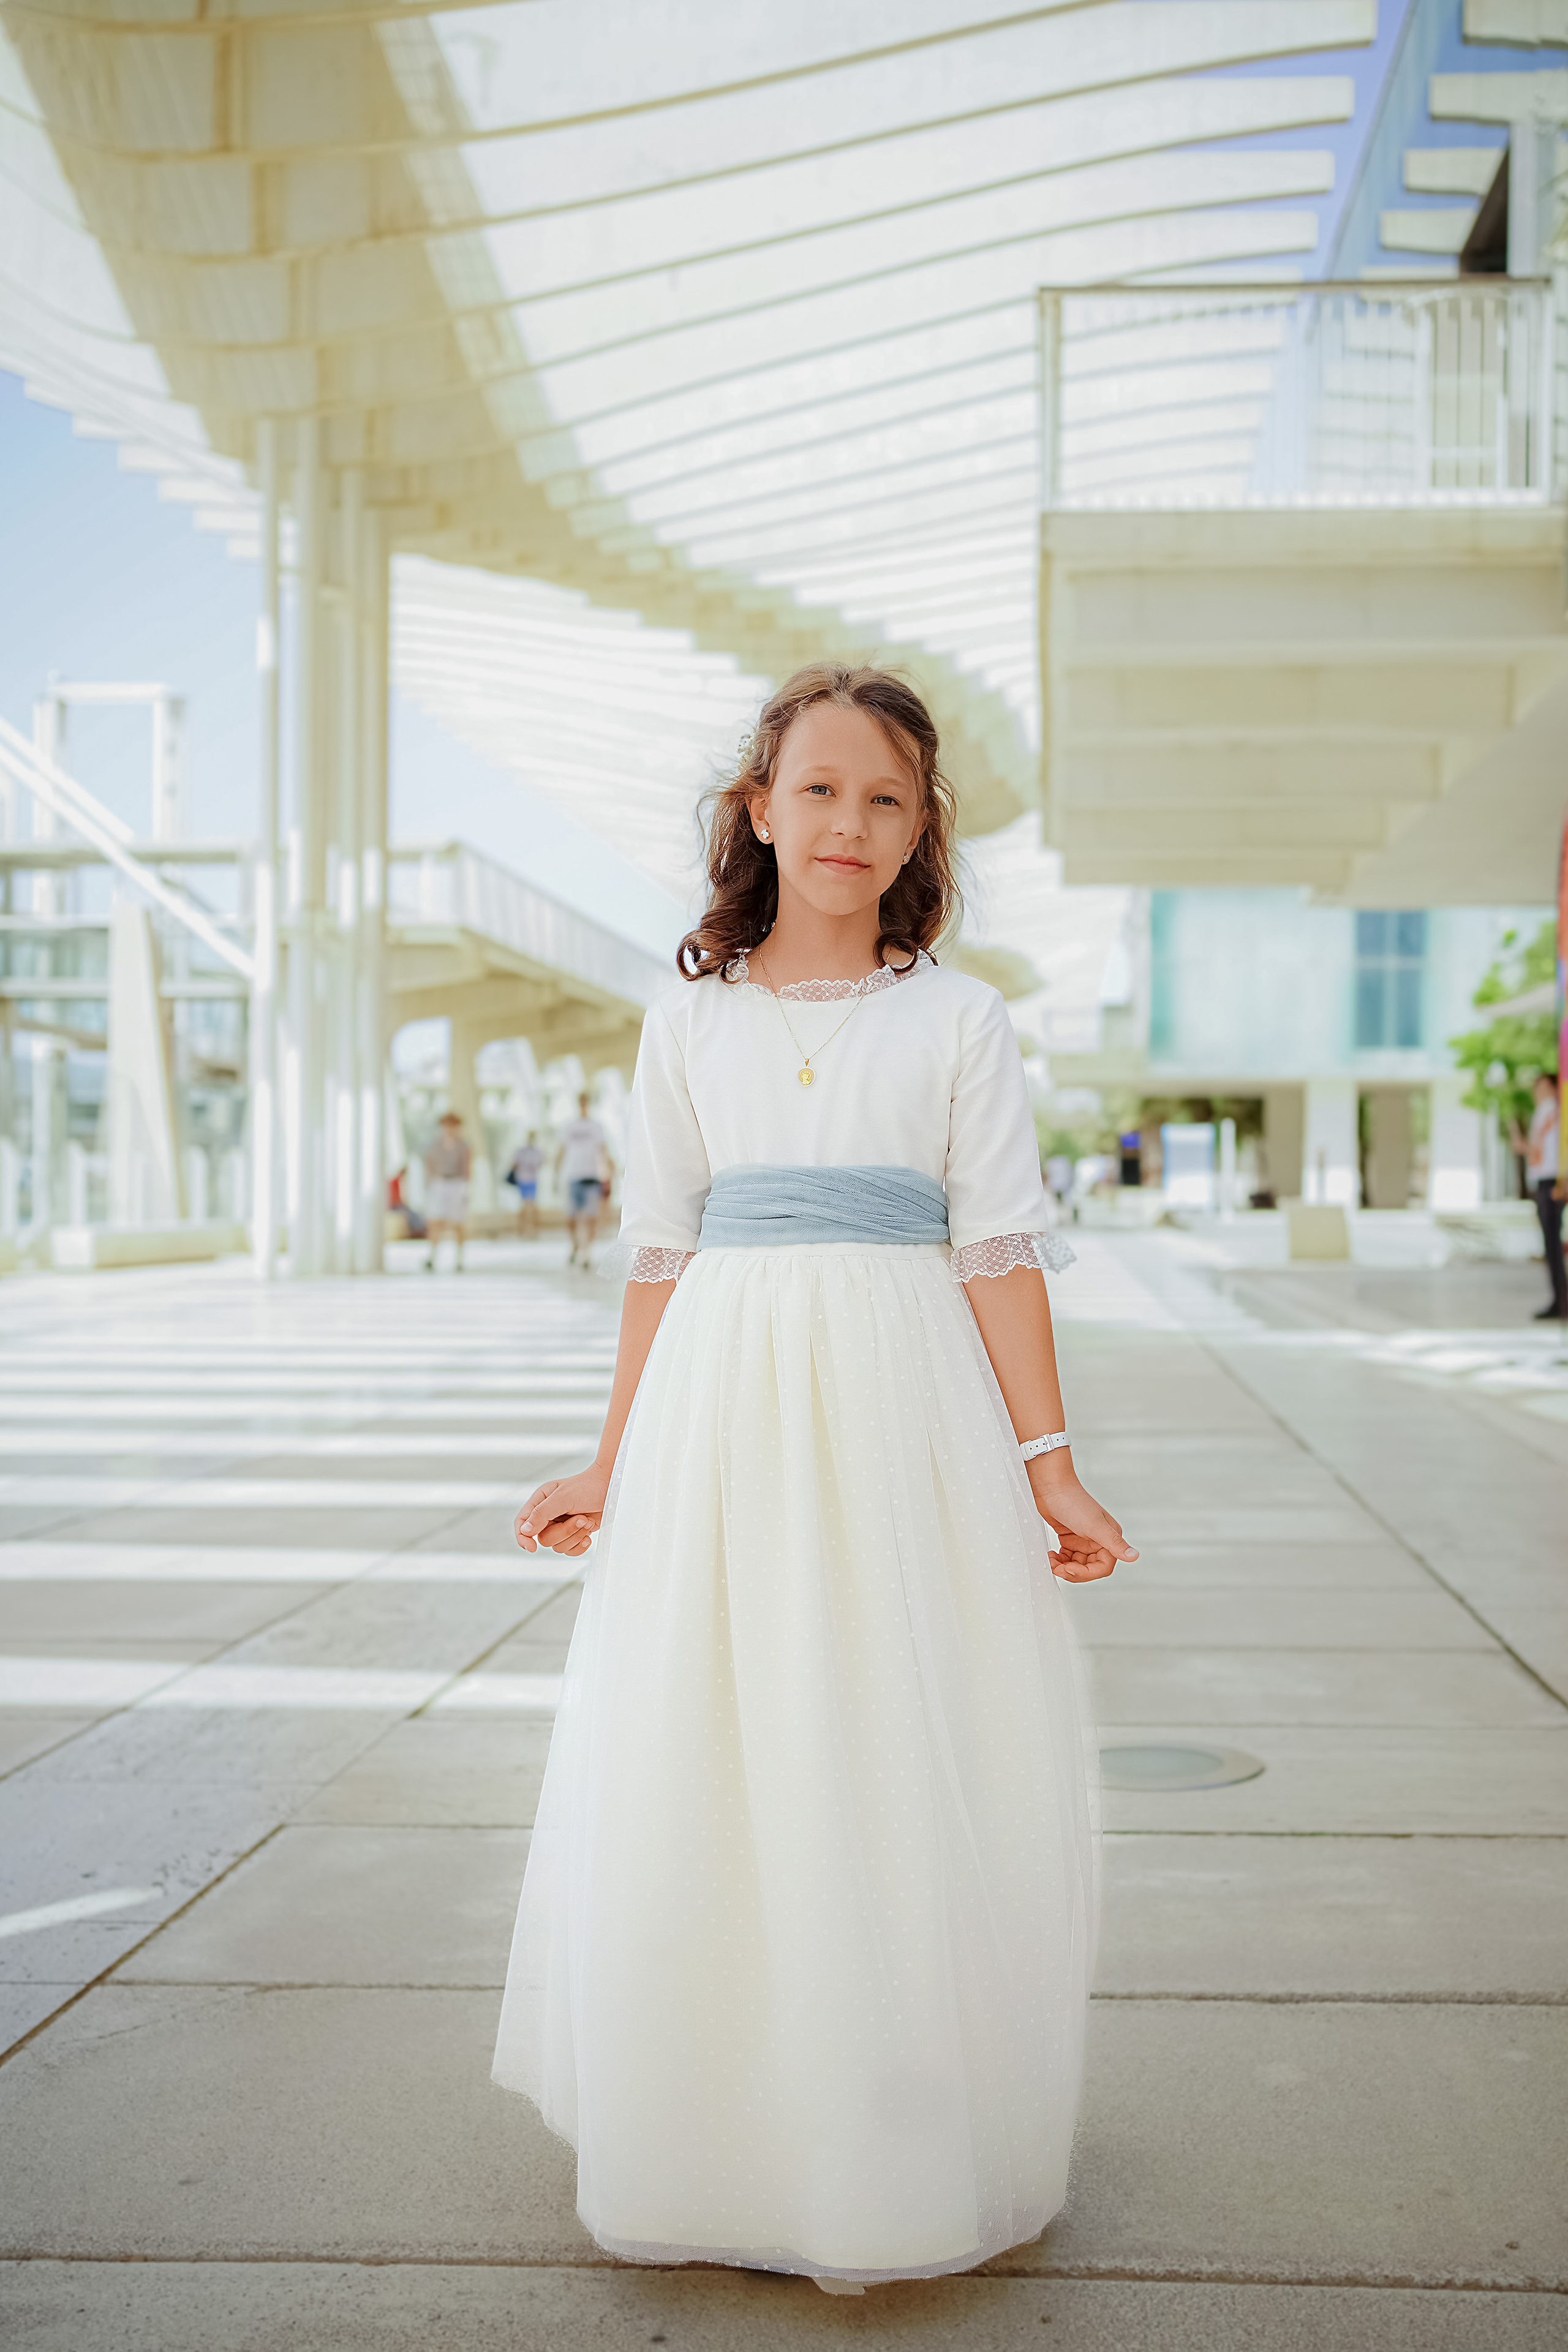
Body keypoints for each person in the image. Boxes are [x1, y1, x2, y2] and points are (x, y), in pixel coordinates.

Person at [496, 665, 1135, 2292]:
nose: (850, 820)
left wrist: (1049, 1470)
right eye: (821, 787)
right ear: (759, 809)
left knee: (886, 1741)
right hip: (722, 1406)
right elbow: (657, 1256)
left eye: (888, 797)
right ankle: (725, 2130)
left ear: (919, 833)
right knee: (719, 1739)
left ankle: (889, 2126)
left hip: (903, 1408)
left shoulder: (958, 1017)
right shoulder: (688, 1020)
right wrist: (612, 1463)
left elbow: (998, 1253)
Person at [1516, 1072, 1564, 1321]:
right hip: (1548, 1179)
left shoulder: (1554, 1108)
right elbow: (1539, 1150)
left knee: (1553, 1245)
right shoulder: (1547, 1111)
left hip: (1555, 1180)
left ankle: (1561, 1302)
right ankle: (1560, 1301)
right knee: (1551, 1245)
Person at [557, 1091, 611, 1268]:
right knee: (571, 1219)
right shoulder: (569, 1126)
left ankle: (586, 1252)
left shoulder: (597, 1127)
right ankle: (575, 1246)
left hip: (592, 1177)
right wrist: (555, 1173)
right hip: (573, 1176)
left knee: (591, 1218)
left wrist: (608, 1173)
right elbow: (562, 1150)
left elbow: (603, 1150)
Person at [423, 1110, 471, 1273]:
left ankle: (459, 1260)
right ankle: (432, 1257)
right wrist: (429, 1184)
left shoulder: (463, 1146)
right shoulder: (435, 1145)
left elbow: (467, 1168)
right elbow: (429, 1164)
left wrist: (467, 1188)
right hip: (439, 1183)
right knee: (436, 1222)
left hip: (456, 1184)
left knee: (458, 1223)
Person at [506, 1134, 544, 1237]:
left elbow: (514, 1165)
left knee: (530, 1206)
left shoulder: (534, 1152)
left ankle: (532, 1229)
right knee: (526, 1206)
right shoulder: (526, 1152)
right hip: (525, 1181)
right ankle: (524, 1230)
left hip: (529, 1180)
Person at [386, 1166, 427, 1242]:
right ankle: (420, 1228)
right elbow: (395, 1199)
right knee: (412, 1215)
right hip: (395, 1207)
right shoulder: (395, 1182)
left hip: (399, 1205)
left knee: (415, 1214)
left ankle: (421, 1228)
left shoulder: (398, 1182)